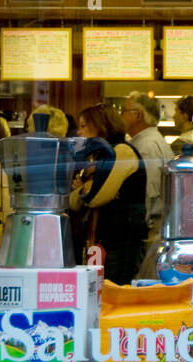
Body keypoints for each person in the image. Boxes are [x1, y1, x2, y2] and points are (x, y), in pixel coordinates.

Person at [71, 103, 149, 285]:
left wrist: (85, 187)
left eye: (84, 125)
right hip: (103, 242)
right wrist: (85, 188)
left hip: (122, 244)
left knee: (113, 294)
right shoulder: (98, 158)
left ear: (101, 124)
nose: (79, 132)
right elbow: (75, 202)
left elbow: (96, 197)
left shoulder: (121, 152)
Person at [121, 92, 173, 228]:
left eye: (123, 111)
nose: (120, 116)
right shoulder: (149, 141)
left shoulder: (146, 146)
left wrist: (141, 225)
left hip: (148, 225)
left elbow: (148, 191)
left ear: (138, 115)